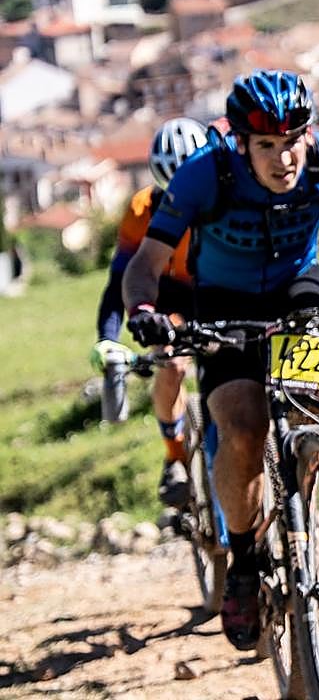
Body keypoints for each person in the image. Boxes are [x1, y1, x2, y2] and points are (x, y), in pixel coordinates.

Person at [121, 70, 319, 650]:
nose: (284, 158)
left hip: (296, 286)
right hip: (223, 302)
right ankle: (246, 559)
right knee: (241, 428)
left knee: (317, 403)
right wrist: (143, 310)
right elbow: (145, 262)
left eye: (292, 141)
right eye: (266, 145)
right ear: (240, 143)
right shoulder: (205, 173)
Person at [91, 117, 209, 507]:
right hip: (165, 293)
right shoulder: (141, 210)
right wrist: (108, 338)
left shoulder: (221, 202)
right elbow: (118, 281)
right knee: (170, 363)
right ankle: (174, 457)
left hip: (211, 287)